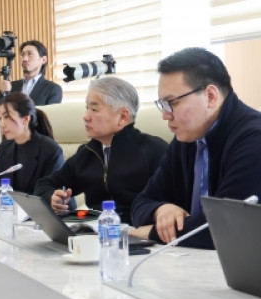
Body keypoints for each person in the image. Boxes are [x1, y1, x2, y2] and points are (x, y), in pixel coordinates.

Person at [131, 48, 261, 249]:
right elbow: (140, 204)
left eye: (172, 103)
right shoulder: (186, 139)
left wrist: (151, 233)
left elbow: (225, 227)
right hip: (195, 257)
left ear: (211, 96)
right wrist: (161, 210)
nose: (165, 115)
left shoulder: (258, 139)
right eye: (163, 104)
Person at [34, 77, 167, 226]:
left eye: (94, 109)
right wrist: (52, 198)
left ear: (123, 117)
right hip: (93, 229)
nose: (85, 116)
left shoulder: (154, 151)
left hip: (137, 231)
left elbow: (169, 203)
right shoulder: (87, 153)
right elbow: (45, 185)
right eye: (87, 108)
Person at [0, 93, 63, 194]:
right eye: (0, 118)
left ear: (26, 119)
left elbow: (49, 192)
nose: (2, 124)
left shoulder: (51, 150)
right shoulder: (5, 147)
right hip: (10, 204)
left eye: (6, 117)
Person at [0, 40, 63, 116]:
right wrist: (2, 93)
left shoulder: (53, 89)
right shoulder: (11, 86)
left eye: (30, 54)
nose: (24, 59)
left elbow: (49, 119)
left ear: (43, 60)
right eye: (22, 55)